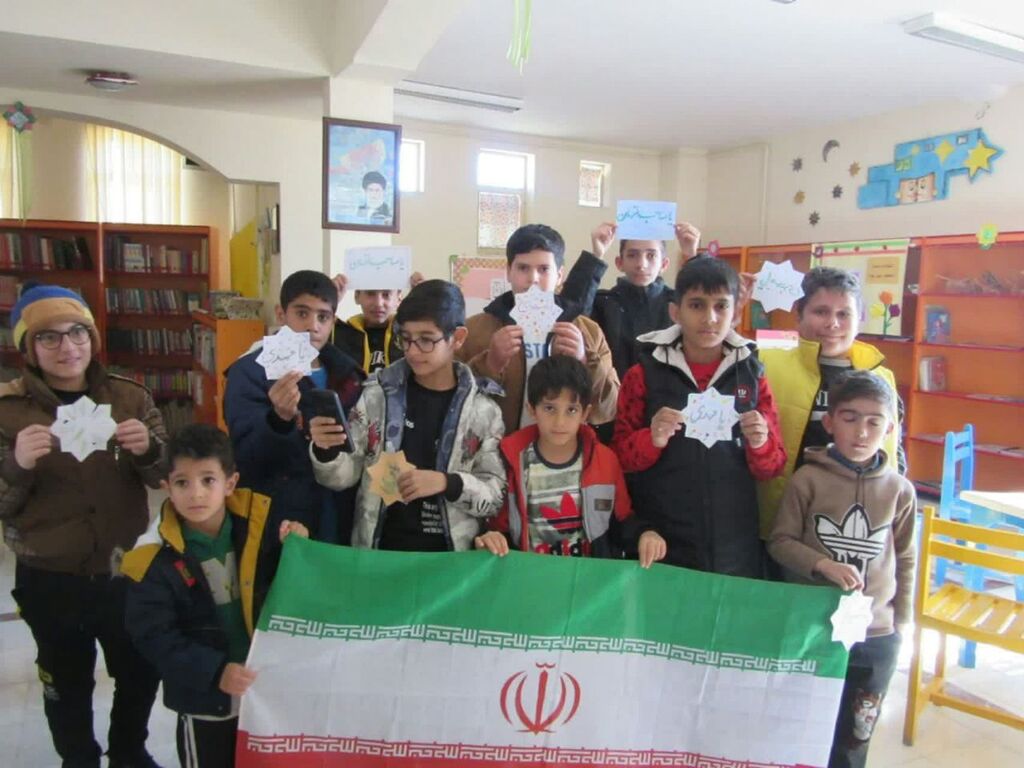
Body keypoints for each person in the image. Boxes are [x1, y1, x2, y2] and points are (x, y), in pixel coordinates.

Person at [0, 283, 166, 768]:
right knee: (65, 681)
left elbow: (167, 477)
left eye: (77, 332)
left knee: (139, 671)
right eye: (48, 337)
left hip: (126, 569)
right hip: (50, 575)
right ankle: (78, 758)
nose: (67, 347)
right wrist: (16, 465)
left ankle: (129, 752)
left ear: (92, 337)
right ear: (28, 347)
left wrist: (150, 450)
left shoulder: (130, 397)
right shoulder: (8, 412)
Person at [122, 424, 309, 768]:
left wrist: (294, 545)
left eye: (208, 480)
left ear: (230, 483)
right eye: (182, 483)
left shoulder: (258, 527)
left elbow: (288, 590)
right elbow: (153, 636)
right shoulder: (151, 558)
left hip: (261, 692)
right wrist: (214, 672)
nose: (196, 494)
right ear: (166, 488)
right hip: (205, 701)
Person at [767, 370, 915, 768]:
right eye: (850, 418)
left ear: (889, 429)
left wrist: (902, 621)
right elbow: (780, 542)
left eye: (874, 422)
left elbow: (905, 558)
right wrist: (822, 565)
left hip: (876, 634)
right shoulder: (807, 480)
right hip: (814, 627)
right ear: (830, 422)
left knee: (855, 736)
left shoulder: (899, 490)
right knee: (802, 727)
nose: (862, 432)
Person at [612, 258, 786, 577]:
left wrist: (760, 443)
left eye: (721, 306)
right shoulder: (643, 374)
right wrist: (651, 439)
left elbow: (772, 467)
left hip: (734, 544)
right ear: (675, 312)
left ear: (736, 313)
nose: (710, 318)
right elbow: (621, 457)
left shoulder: (751, 375)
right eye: (696, 305)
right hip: (662, 540)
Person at [310, 280, 506, 551]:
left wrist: (447, 482)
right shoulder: (376, 396)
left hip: (451, 561)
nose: (412, 351)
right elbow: (343, 477)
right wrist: (326, 451)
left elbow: (495, 496)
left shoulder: (483, 411)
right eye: (405, 338)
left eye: (426, 340)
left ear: (458, 338)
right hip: (381, 554)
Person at [756, 267, 904, 542]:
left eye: (844, 314)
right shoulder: (765, 365)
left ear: (858, 318)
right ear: (800, 315)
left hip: (853, 528)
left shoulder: (879, 377)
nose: (832, 323)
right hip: (780, 523)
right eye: (821, 312)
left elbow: (893, 451)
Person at [475, 355, 667, 565]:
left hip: (589, 579)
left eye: (571, 410)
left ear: (585, 413)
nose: (560, 422)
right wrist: (491, 538)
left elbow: (622, 521)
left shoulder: (605, 460)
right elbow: (499, 528)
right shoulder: (511, 461)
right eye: (549, 408)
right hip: (531, 577)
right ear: (532, 410)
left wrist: (644, 534)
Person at [223, 270, 363, 545]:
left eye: (323, 317)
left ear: (333, 321)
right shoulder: (250, 372)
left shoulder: (349, 375)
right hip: (277, 518)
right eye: (302, 313)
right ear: (280, 314)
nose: (313, 325)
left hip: (338, 511)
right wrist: (278, 420)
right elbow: (244, 454)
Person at [458, 223, 619, 434]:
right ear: (508, 272)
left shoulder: (589, 332)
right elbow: (455, 404)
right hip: (496, 449)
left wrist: (584, 362)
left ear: (559, 275)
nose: (533, 278)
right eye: (523, 268)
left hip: (563, 449)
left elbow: (608, 409)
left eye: (544, 269)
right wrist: (490, 365)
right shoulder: (475, 330)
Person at [588, 221, 701, 379]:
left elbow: (704, 306)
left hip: (669, 392)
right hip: (615, 392)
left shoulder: (678, 304)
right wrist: (596, 256)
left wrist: (691, 256)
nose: (641, 264)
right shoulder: (603, 302)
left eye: (651, 255)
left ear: (664, 264)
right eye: (632, 255)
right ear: (619, 263)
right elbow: (574, 312)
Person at [330, 271, 424, 375]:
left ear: (399, 297)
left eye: (386, 294)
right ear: (357, 296)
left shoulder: (409, 335)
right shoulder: (338, 333)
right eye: (370, 293)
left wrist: (424, 302)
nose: (378, 303)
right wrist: (328, 301)